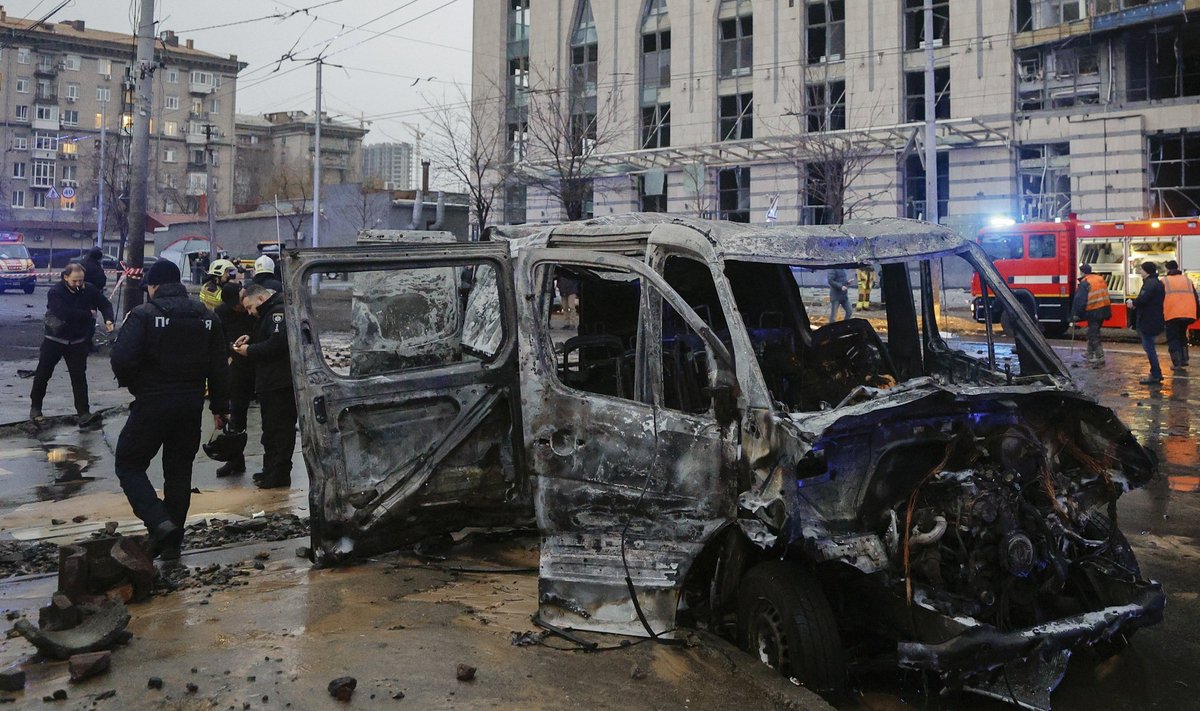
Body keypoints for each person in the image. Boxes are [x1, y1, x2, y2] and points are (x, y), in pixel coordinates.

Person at [109, 260, 229, 560]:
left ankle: (159, 523)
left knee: (128, 463)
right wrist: (219, 406)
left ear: (153, 286)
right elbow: (219, 366)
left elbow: (121, 359)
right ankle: (173, 545)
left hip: (152, 402)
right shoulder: (207, 316)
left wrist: (136, 383)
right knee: (178, 473)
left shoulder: (144, 314)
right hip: (189, 405)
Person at [29, 264, 115, 426]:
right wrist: (88, 314)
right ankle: (36, 408)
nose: (78, 284)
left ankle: (83, 413)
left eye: (81, 280)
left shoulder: (89, 289)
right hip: (54, 339)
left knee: (79, 377)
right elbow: (64, 313)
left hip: (77, 341)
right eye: (75, 281)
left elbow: (104, 304)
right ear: (65, 278)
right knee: (43, 374)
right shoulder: (55, 292)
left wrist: (108, 319)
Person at [233, 284, 296, 489]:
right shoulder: (268, 313)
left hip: (280, 383)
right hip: (270, 382)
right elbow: (268, 336)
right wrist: (251, 339)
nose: (250, 313)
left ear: (260, 299)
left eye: (251, 307)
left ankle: (278, 474)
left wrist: (249, 351)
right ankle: (270, 470)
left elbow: (277, 343)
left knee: (280, 432)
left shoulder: (278, 312)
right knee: (269, 431)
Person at [213, 282, 257, 477]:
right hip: (238, 365)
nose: (238, 308)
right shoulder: (222, 312)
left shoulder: (252, 303)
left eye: (239, 304)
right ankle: (235, 459)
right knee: (236, 414)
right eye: (234, 306)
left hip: (259, 360)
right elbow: (218, 338)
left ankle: (273, 464)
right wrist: (231, 347)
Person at [1127, 261, 1166, 386]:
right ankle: (1155, 373)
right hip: (1153, 318)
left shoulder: (1150, 284)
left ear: (1147, 271)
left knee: (1149, 348)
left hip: (1148, 320)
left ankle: (1156, 374)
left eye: (1141, 270)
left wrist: (1133, 303)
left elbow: (1143, 300)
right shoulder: (1157, 282)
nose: (1139, 272)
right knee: (1149, 347)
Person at [1071, 264, 1112, 367]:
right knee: (1092, 332)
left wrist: (1076, 314)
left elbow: (1080, 301)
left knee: (1093, 334)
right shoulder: (1099, 278)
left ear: (1082, 272)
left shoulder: (1085, 282)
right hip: (1104, 309)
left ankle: (1100, 356)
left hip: (1094, 310)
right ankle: (1089, 353)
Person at [1162, 260, 1197, 372]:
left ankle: (1177, 363)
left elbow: (1159, 298)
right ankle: (1184, 359)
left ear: (1167, 269)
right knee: (1182, 335)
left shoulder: (1164, 281)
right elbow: (1195, 297)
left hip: (1172, 314)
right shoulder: (1188, 280)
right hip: (1187, 313)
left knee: (1173, 338)